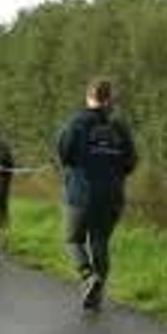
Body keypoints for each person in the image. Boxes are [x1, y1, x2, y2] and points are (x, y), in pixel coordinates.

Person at [57, 77, 137, 310]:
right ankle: (98, 292)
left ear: (89, 97)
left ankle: (88, 276)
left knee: (73, 239)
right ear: (111, 99)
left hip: (81, 194)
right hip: (112, 195)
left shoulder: (77, 122)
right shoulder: (120, 126)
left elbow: (64, 153)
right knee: (100, 240)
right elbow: (131, 162)